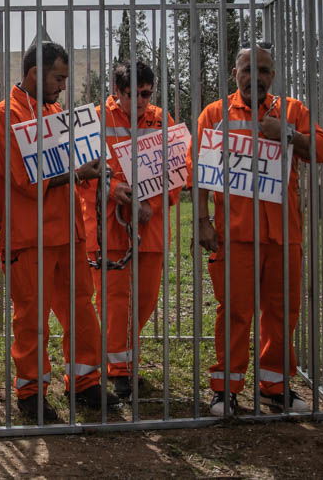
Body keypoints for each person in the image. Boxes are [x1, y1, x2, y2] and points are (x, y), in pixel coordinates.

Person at [0, 39, 118, 423]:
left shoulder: (53, 110)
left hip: (68, 233)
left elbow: (65, 163)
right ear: (34, 74)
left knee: (81, 310)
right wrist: (79, 172)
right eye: (58, 77)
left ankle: (85, 381)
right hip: (29, 237)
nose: (62, 85)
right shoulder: (6, 115)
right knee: (32, 317)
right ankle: (31, 393)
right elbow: (26, 178)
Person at [196, 46, 323, 416]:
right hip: (234, 233)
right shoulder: (214, 113)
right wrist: (203, 221)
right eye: (247, 69)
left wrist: (286, 133)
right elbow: (200, 174)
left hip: (283, 233)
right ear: (234, 72)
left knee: (281, 310)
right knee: (235, 311)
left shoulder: (292, 110)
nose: (255, 76)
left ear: (272, 75)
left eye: (264, 70)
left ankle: (274, 387)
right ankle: (225, 389)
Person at [79, 60, 181, 400]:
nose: (139, 100)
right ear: (116, 91)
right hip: (107, 224)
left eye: (145, 94)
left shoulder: (161, 119)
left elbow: (179, 167)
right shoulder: (95, 119)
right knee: (114, 299)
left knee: (146, 298)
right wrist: (111, 190)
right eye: (131, 94)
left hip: (147, 223)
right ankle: (118, 368)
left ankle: (120, 355)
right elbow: (79, 172)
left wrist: (155, 204)